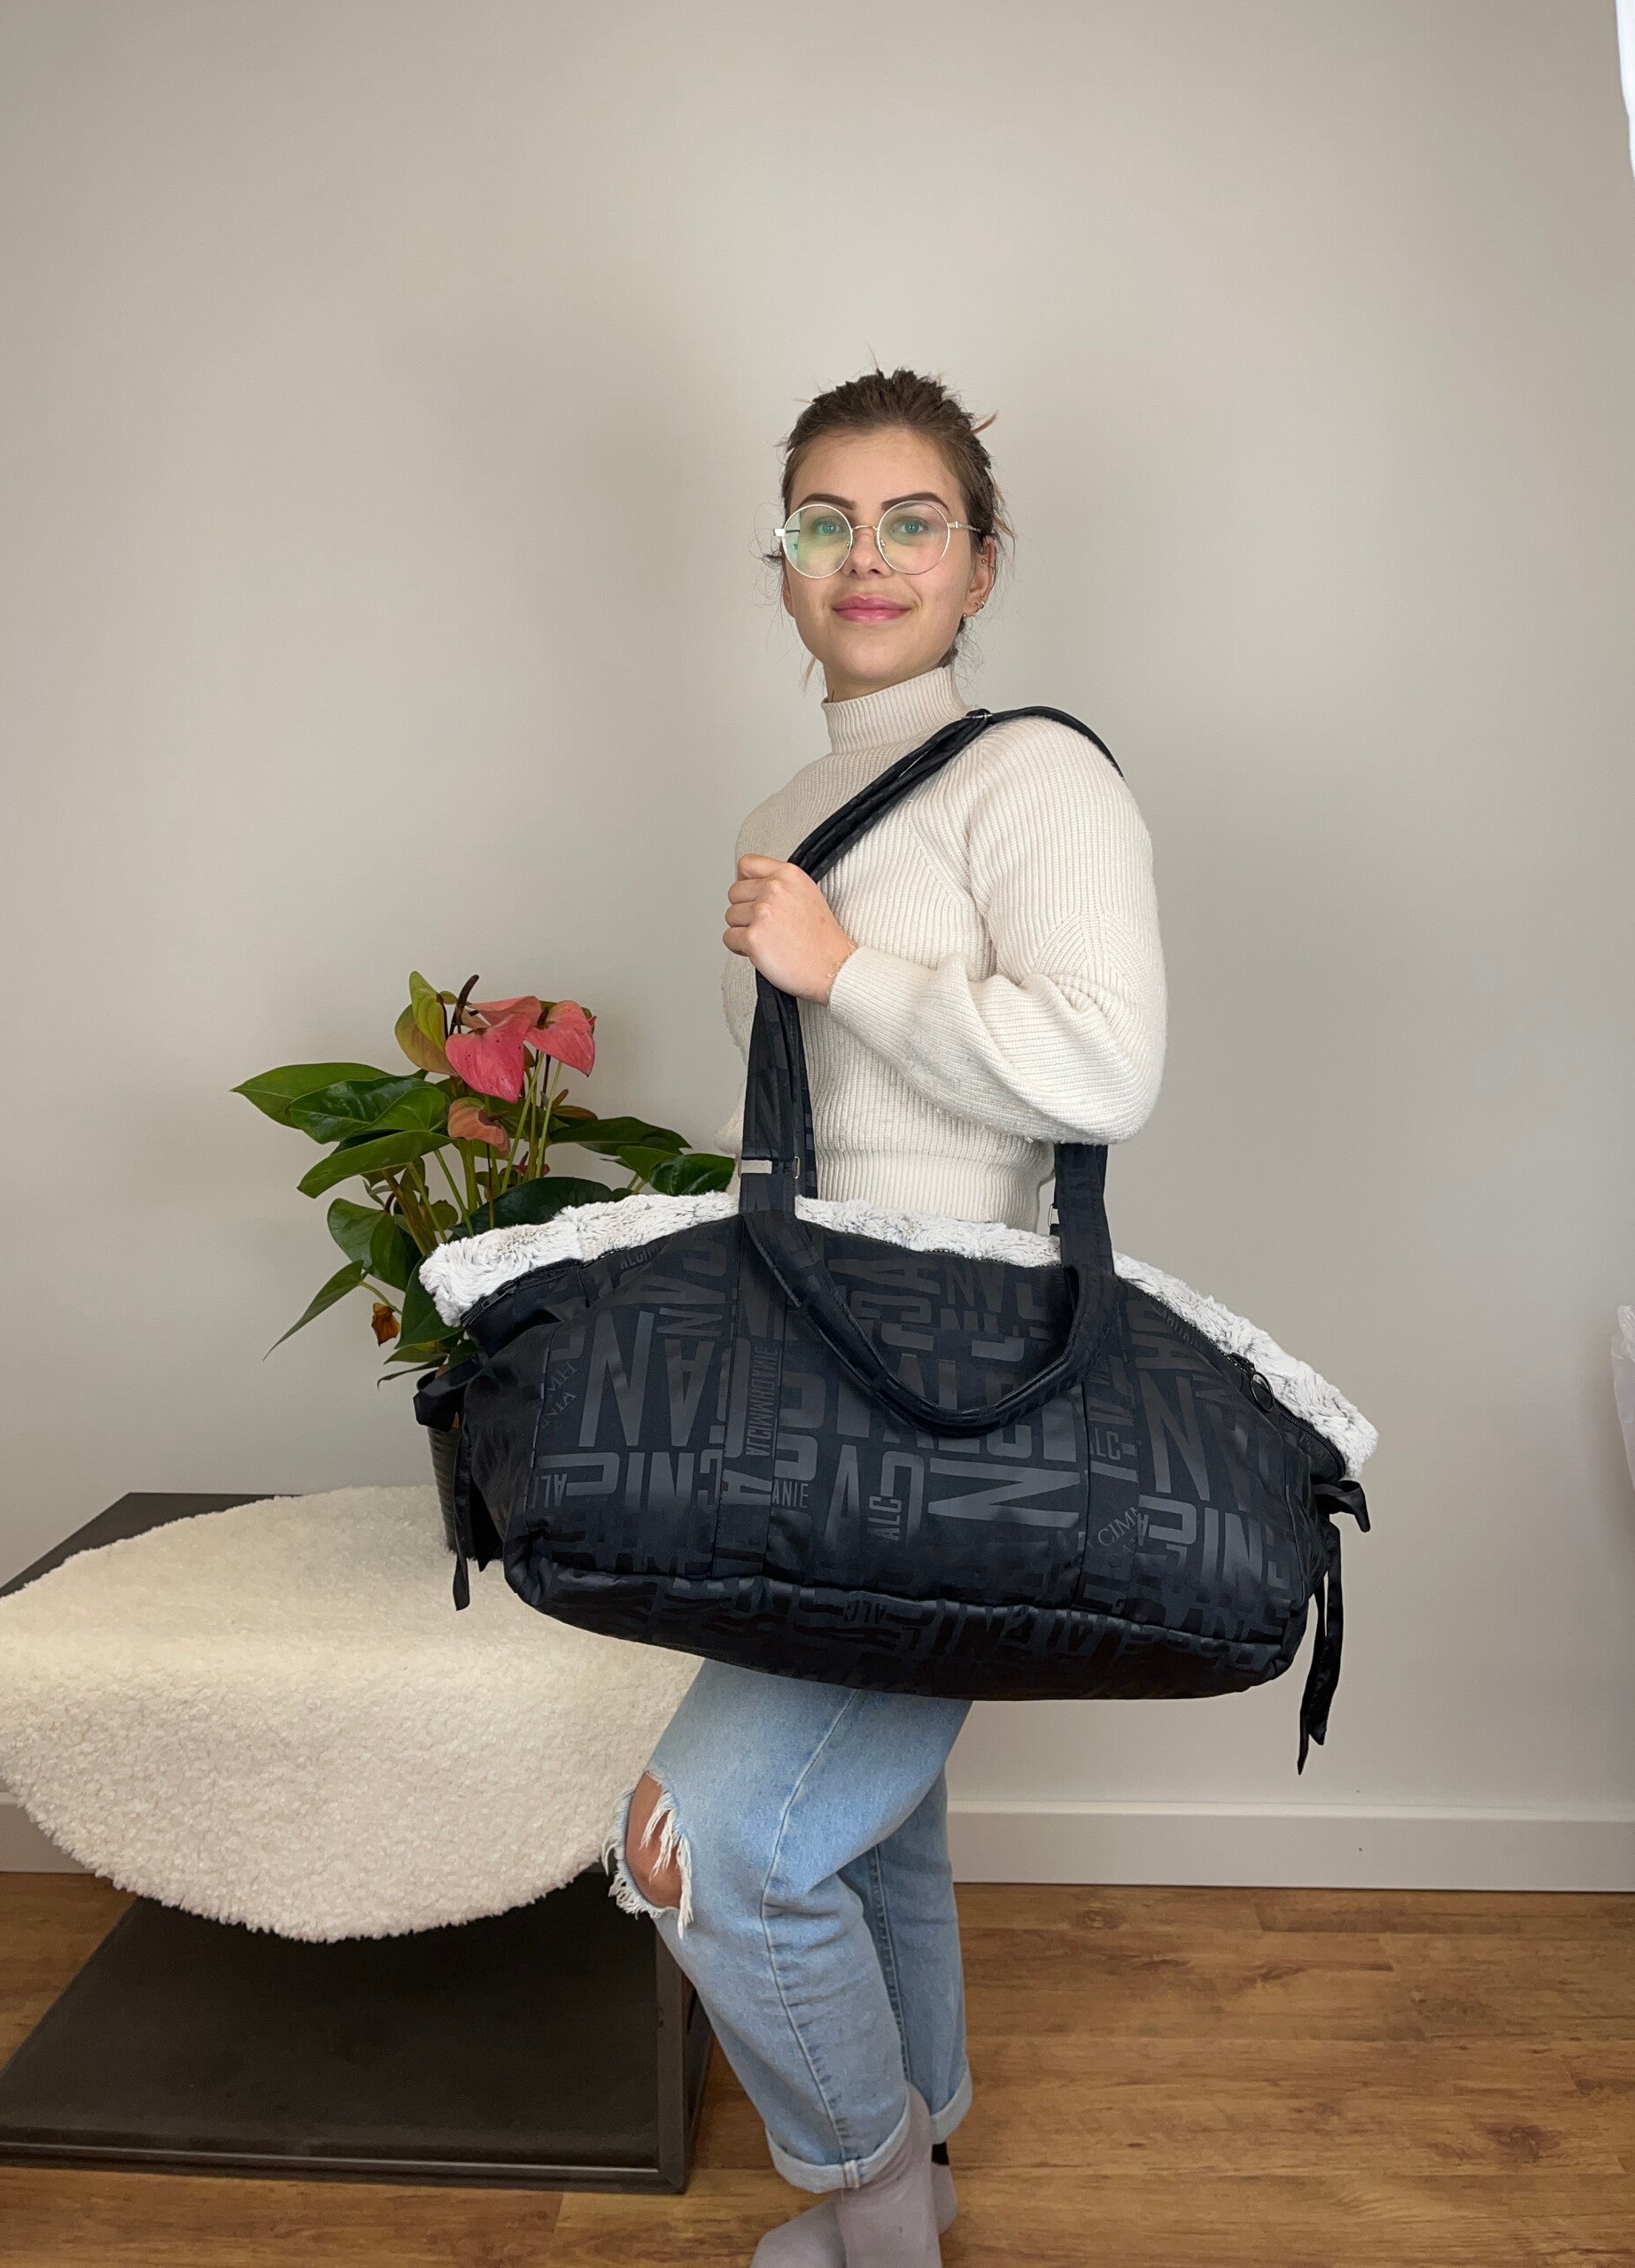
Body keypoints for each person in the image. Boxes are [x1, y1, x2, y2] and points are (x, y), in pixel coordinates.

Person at [600, 366, 1167, 2267]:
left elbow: (1106, 1066)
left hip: (948, 1400)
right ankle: (916, 2180)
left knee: (702, 1840)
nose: (868, 555)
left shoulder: (1033, 775)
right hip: (810, 1383)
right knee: (874, 1823)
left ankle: (870, 2197)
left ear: (980, 563)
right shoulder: (789, 804)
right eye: (824, 521)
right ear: (778, 563)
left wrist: (841, 966)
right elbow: (825, 1133)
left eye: (913, 520)